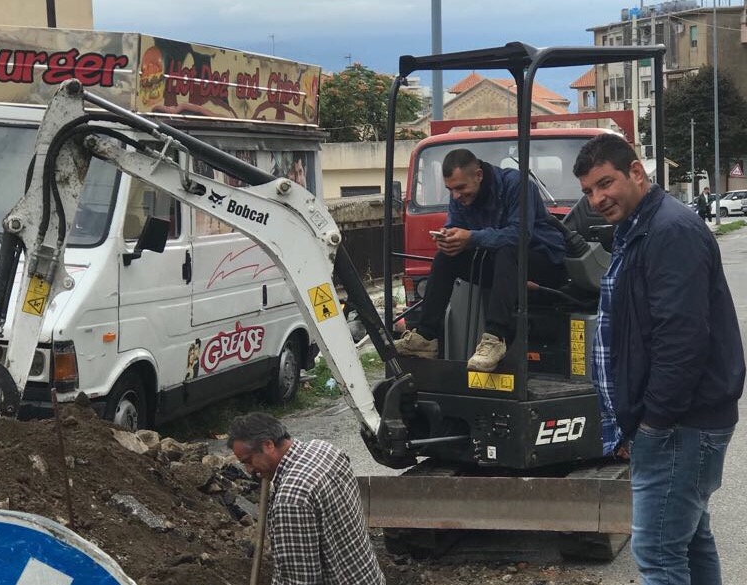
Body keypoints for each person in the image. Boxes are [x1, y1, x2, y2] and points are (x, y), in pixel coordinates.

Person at [572, 133, 744, 585]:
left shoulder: (670, 230)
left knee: (657, 552)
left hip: (679, 424)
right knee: (690, 539)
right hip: (678, 421)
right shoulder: (639, 227)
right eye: (589, 191)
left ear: (636, 172)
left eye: (605, 183)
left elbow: (681, 339)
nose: (598, 198)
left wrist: (652, 422)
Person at [395, 148, 566, 371]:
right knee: (445, 258)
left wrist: (471, 237)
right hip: (501, 264)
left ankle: (495, 338)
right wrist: (449, 237)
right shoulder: (460, 194)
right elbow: (457, 225)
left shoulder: (517, 185)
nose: (456, 195)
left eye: (460, 188)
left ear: (479, 175)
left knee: (509, 249)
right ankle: (426, 337)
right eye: (451, 189)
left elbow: (520, 236)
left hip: (543, 260)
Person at [227, 413, 385, 585]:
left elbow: (299, 580)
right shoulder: (325, 450)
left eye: (249, 461)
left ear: (268, 445)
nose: (248, 470)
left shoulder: (291, 500)